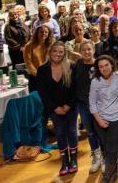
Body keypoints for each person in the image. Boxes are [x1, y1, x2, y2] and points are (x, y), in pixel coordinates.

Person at [36, 41, 78, 175]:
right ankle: (64, 162)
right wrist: (55, 108)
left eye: (61, 52)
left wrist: (68, 105)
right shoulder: (42, 69)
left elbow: (76, 89)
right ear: (50, 52)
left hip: (70, 106)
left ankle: (74, 161)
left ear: (64, 53)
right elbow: (42, 93)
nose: (57, 54)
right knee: (60, 132)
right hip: (54, 109)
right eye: (55, 51)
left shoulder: (71, 66)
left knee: (71, 131)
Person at [89, 55, 118, 183]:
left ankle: (107, 176)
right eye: (101, 66)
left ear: (112, 65)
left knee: (112, 148)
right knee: (105, 147)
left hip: (117, 118)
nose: (104, 68)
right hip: (100, 120)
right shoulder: (95, 82)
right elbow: (92, 103)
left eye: (106, 65)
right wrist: (99, 120)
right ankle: (113, 172)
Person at [71, 41, 103, 173]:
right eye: (83, 50)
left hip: (99, 105)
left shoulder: (99, 65)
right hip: (83, 104)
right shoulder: (77, 65)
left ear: (93, 50)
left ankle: (105, 157)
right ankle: (96, 156)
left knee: (101, 130)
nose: (86, 52)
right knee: (90, 131)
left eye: (89, 49)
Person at [24, 26, 54, 90]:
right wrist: (39, 75)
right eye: (41, 32)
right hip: (35, 77)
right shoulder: (28, 46)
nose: (44, 33)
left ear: (48, 34)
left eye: (46, 32)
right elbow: (28, 63)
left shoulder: (50, 45)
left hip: (49, 76)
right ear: (37, 33)